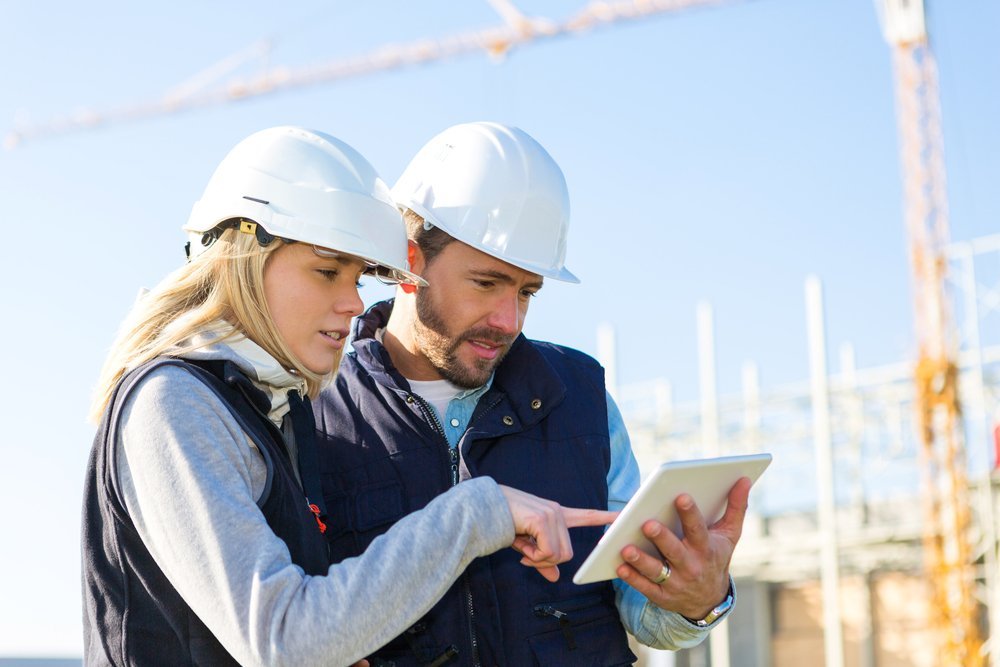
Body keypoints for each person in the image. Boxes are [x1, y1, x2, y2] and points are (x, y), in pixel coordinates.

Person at [81, 126, 618, 667]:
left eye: (358, 276)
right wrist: (479, 512)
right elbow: (284, 641)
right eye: (327, 272)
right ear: (243, 255)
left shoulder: (264, 410)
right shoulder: (173, 404)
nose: (354, 302)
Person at [314, 121, 753, 666]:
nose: (508, 319)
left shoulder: (582, 397)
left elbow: (644, 610)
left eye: (527, 292)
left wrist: (697, 598)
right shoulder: (313, 413)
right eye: (486, 283)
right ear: (409, 260)